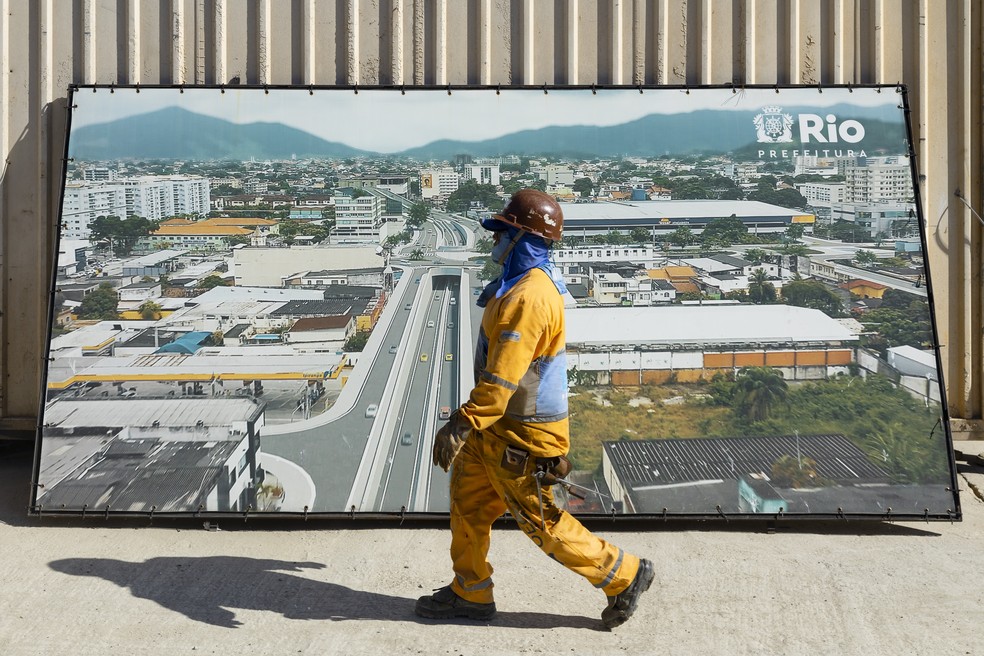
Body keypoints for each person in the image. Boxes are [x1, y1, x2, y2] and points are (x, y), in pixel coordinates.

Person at [415, 189, 654, 629]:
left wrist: (461, 423)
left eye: (501, 233)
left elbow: (502, 380)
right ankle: (470, 592)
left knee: (541, 522)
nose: (494, 242)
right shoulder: (516, 285)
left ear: (522, 237)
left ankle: (624, 574)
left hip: (525, 435)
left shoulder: (530, 298)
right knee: (467, 506)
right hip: (499, 427)